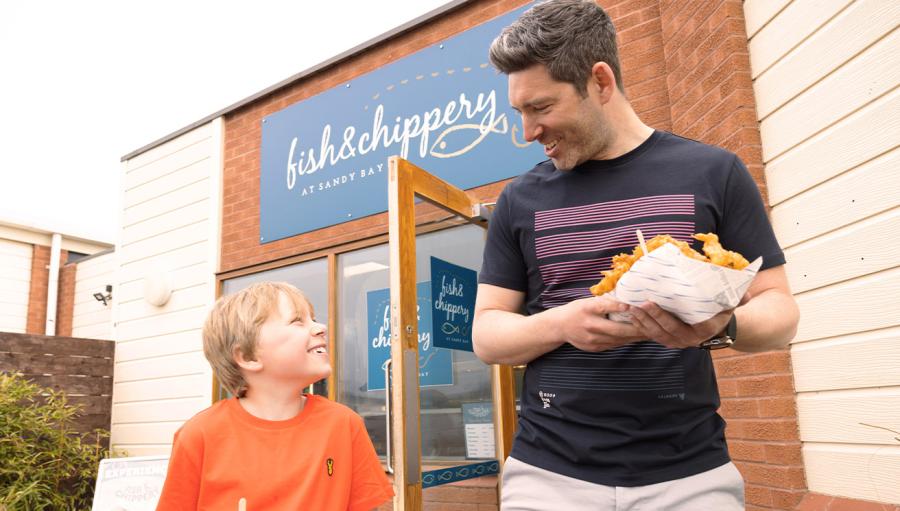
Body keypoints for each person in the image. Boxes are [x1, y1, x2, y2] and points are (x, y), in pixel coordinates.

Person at [472, 1, 800, 510]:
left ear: (600, 82)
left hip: (691, 477)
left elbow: (780, 313)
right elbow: (488, 334)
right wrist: (563, 324)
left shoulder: (714, 172)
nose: (528, 132)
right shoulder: (518, 200)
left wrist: (721, 326)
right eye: (520, 112)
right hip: (546, 475)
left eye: (540, 108)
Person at [156, 282, 393, 511]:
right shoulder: (199, 436)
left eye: (313, 318)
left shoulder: (344, 424)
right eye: (297, 321)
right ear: (248, 357)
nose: (320, 327)